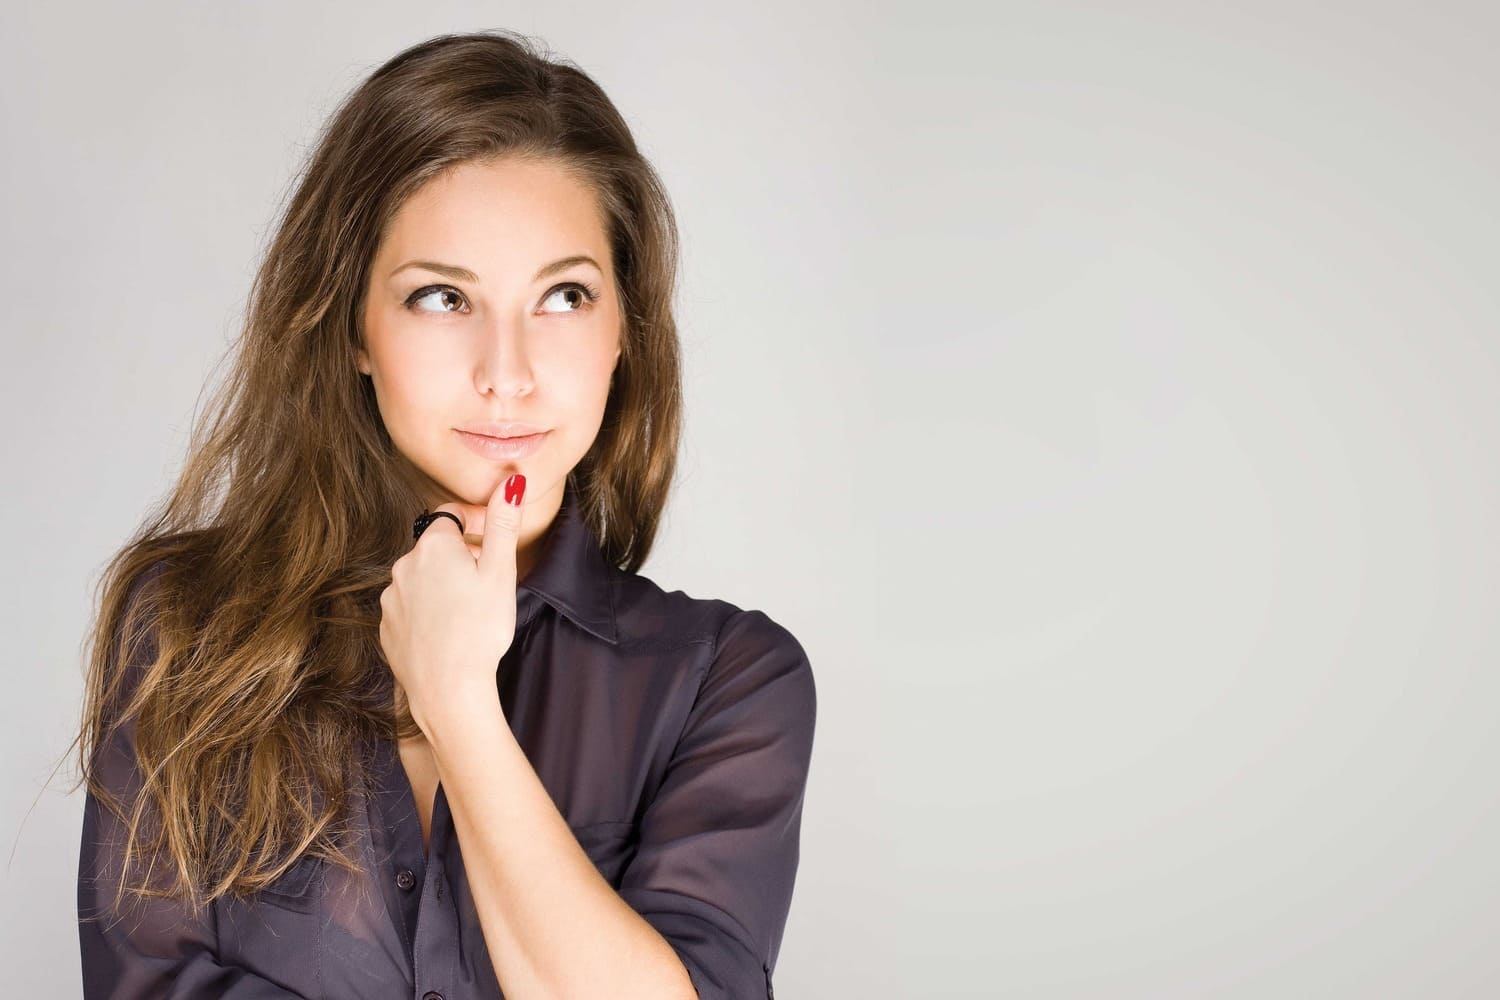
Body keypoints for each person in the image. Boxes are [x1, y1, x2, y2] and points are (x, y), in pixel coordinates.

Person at [73, 30, 816, 1000]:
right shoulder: (185, 624)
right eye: (440, 297)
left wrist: (459, 703)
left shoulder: (727, 681)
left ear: (624, 330)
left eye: (564, 295)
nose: (506, 374)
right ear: (353, 328)